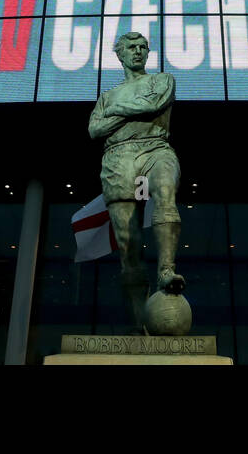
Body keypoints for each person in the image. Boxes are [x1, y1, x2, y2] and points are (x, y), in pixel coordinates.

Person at [88, 31, 183, 331]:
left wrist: (116, 114)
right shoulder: (107, 96)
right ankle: (141, 321)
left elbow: (153, 105)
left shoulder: (162, 80)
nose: (138, 52)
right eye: (131, 48)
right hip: (118, 158)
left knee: (165, 190)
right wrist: (125, 111)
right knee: (128, 244)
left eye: (143, 47)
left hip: (156, 147)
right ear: (120, 54)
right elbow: (93, 130)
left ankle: (167, 270)